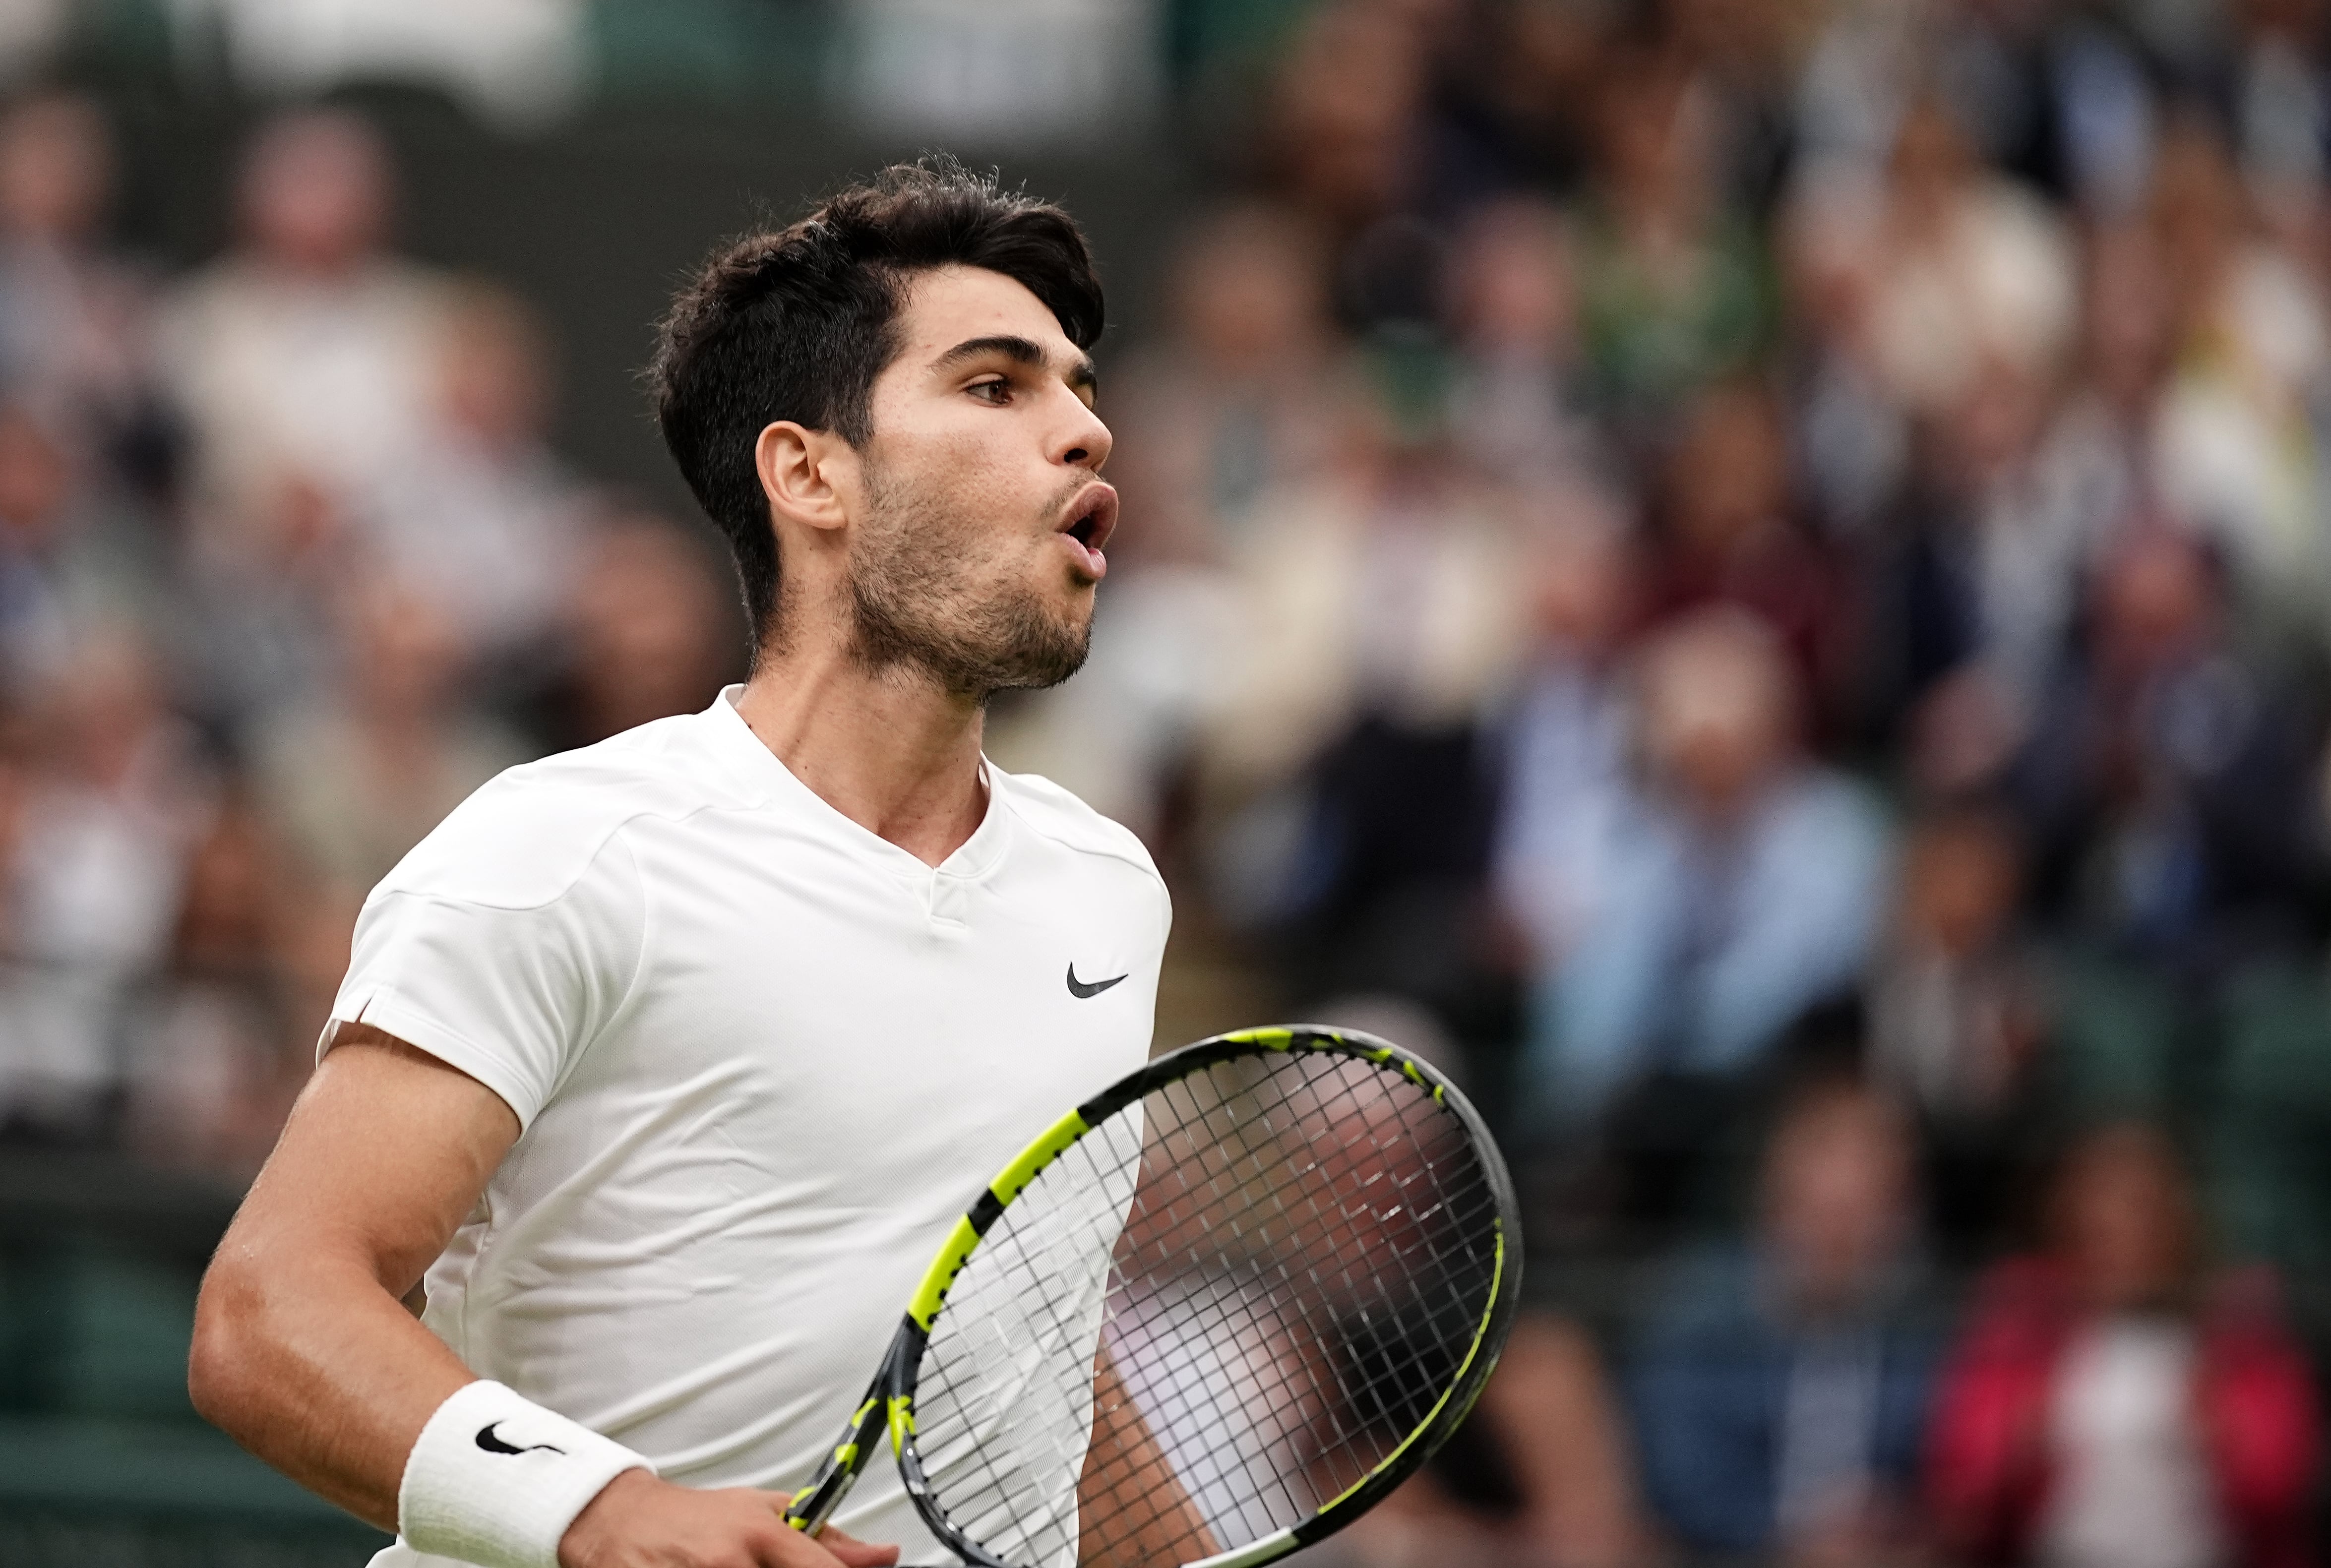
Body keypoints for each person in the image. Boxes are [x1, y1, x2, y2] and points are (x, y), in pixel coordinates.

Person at [188, 161, 1174, 1568]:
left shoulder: (1105, 891)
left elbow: (1033, 1339)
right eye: (996, 386)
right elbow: (269, 1311)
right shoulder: (566, 854)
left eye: (1081, 389)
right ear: (808, 475)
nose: (1086, 431)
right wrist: (598, 1512)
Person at [1926, 1121, 2319, 1568]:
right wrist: (2020, 1445)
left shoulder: (2241, 1328)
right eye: (2098, 1215)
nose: (2118, 1234)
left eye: (2138, 1212)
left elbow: (2282, 1483)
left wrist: (2225, 1437)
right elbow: (1963, 1482)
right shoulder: (2020, 1323)